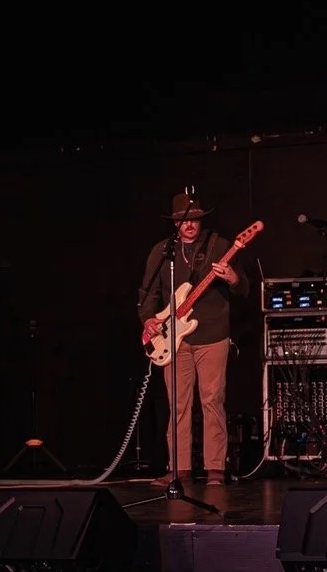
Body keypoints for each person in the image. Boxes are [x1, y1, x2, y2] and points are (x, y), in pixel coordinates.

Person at [138, 192, 247, 487]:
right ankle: (179, 469)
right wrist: (149, 319)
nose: (190, 225)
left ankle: (215, 470)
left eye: (195, 219)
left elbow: (243, 288)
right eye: (184, 220)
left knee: (212, 400)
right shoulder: (162, 252)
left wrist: (232, 277)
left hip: (212, 334)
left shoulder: (219, 245)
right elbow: (148, 293)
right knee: (178, 405)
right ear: (175, 223)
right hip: (174, 339)